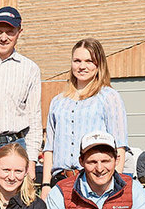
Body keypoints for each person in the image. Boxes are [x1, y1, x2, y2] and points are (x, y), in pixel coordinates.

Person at [41, 38, 127, 198]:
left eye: (89, 61)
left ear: (99, 64)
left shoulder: (109, 97)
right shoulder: (58, 102)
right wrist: (46, 184)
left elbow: (119, 146)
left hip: (94, 182)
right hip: (60, 182)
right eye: (77, 61)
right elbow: (49, 147)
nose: (82, 66)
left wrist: (114, 186)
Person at [0, 7, 42, 178]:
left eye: (10, 32)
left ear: (19, 32)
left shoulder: (30, 69)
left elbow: (34, 117)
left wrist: (32, 160)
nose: (4, 37)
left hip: (16, 146)